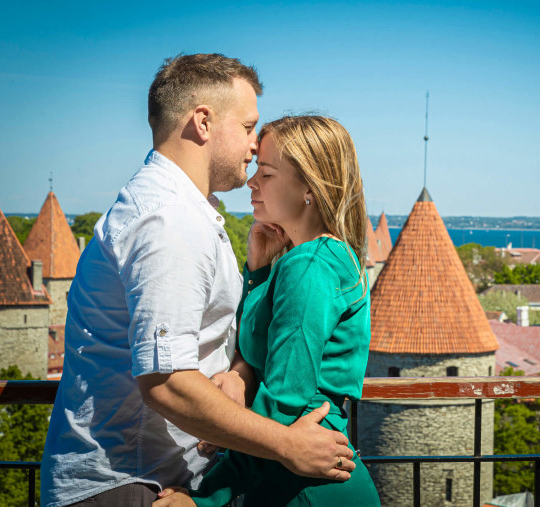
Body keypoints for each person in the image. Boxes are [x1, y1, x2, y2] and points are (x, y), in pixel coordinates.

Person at [40, 55, 355, 507]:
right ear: (203, 122)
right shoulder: (170, 221)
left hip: (153, 479)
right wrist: (288, 445)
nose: (254, 145)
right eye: (248, 127)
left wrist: (238, 373)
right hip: (132, 485)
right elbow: (166, 381)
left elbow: (205, 339)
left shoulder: (180, 210)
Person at [153, 115, 380, 506]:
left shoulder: (309, 266)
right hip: (296, 469)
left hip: (303, 480)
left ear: (309, 187)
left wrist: (204, 499)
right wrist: (258, 271)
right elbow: (262, 344)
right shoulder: (318, 258)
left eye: (268, 173)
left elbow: (285, 403)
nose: (252, 182)